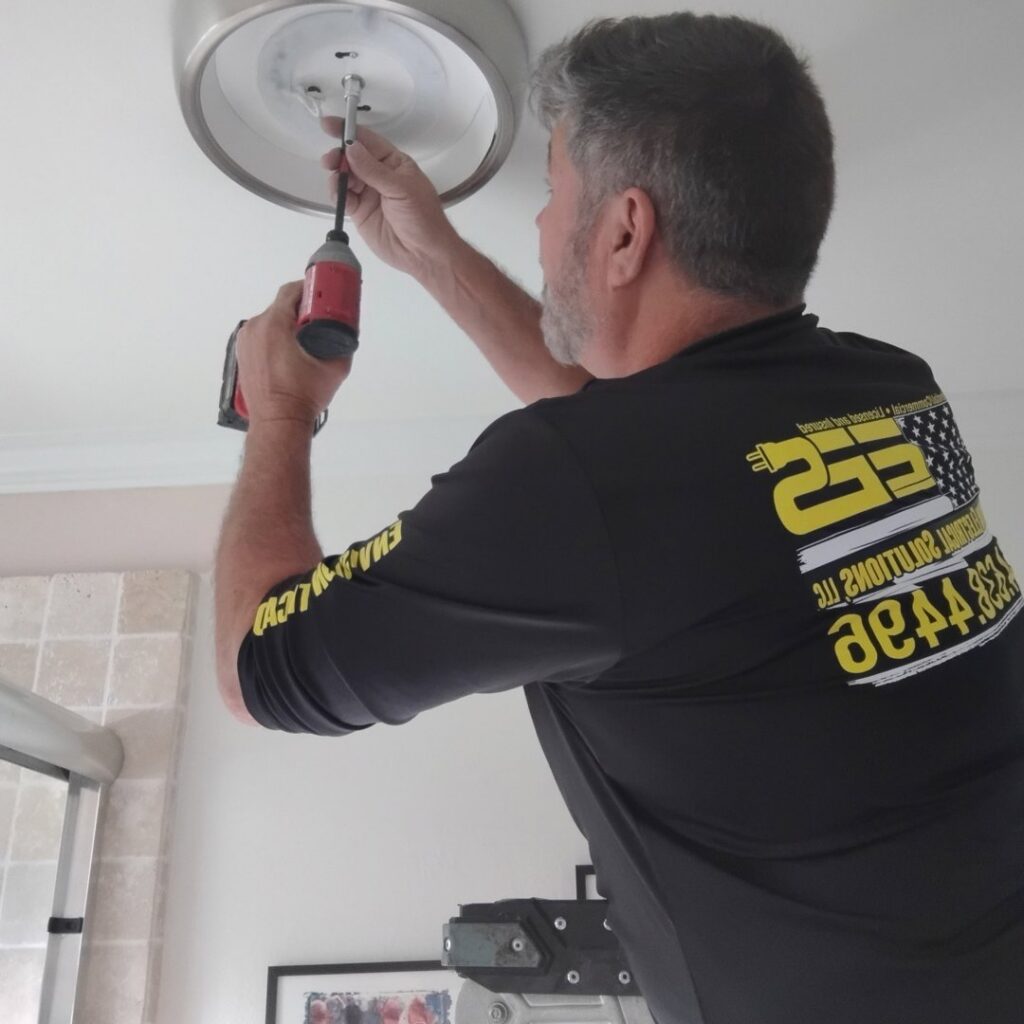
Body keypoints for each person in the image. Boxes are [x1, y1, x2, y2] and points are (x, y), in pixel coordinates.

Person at [214, 13, 1024, 1024]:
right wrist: (434, 254)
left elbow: (257, 667)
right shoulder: (888, 389)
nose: (542, 224)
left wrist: (279, 409)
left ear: (626, 231)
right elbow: (629, 455)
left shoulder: (586, 487)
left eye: (553, 193)